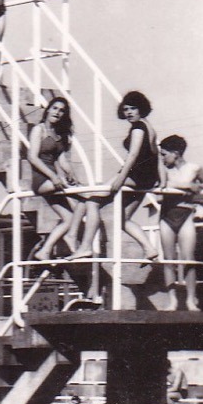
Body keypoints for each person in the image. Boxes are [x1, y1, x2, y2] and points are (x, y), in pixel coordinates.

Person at [79, 90, 163, 270]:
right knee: (122, 219)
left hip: (135, 175)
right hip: (146, 178)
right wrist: (158, 179)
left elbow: (133, 155)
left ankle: (85, 247)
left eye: (133, 108)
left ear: (141, 108)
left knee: (93, 201)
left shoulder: (138, 127)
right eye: (126, 109)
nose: (129, 113)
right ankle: (149, 249)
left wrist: (120, 178)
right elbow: (155, 155)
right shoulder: (149, 127)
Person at [25, 96, 87, 265]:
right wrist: (54, 176)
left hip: (55, 180)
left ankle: (45, 251)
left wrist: (72, 175)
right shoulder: (39, 129)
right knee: (83, 200)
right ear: (48, 110)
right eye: (55, 108)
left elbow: (62, 160)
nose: (57, 113)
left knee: (69, 217)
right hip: (42, 179)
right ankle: (72, 238)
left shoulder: (58, 134)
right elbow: (32, 157)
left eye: (61, 111)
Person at [157, 135, 203, 310]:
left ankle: (190, 300)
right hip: (167, 215)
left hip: (186, 214)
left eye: (165, 154)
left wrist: (199, 187)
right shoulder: (163, 169)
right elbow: (162, 188)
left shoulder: (194, 168)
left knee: (189, 259)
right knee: (168, 260)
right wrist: (187, 187)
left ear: (176, 153)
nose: (162, 158)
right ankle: (172, 300)